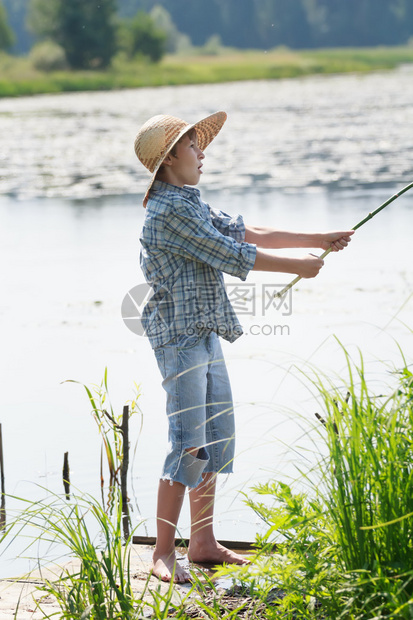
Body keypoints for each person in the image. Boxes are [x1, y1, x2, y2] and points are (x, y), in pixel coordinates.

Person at [134, 111, 353, 583]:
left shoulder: (189, 201)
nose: (202, 153)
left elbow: (246, 233)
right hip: (179, 338)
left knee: (213, 434)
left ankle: (204, 542)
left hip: (205, 330)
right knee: (189, 441)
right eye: (193, 147)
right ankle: (163, 553)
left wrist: (320, 239)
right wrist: (299, 266)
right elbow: (230, 255)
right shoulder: (168, 211)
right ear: (170, 158)